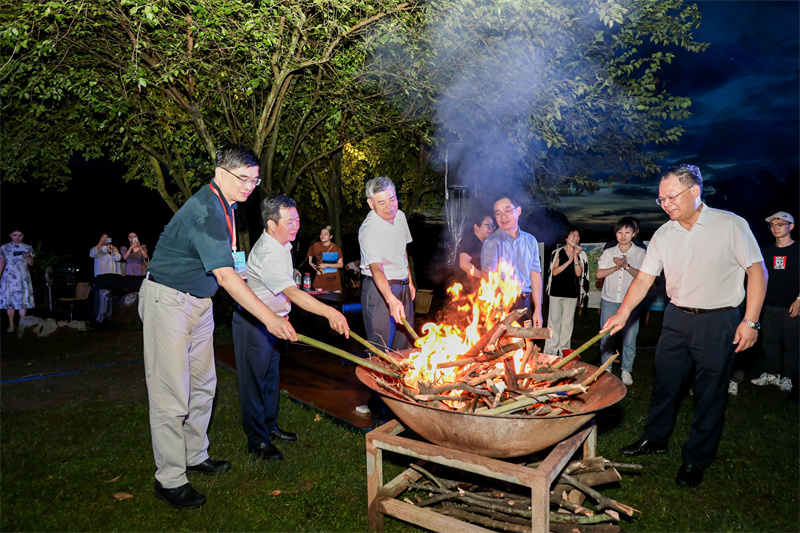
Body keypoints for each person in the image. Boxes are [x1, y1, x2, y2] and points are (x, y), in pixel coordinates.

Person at [138, 144, 296, 510]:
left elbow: (226, 265)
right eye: (244, 179)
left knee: (204, 386)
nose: (250, 186)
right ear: (220, 171)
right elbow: (225, 276)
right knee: (171, 394)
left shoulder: (227, 205)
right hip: (169, 302)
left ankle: (195, 454)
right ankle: (170, 478)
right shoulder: (207, 210)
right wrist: (270, 317)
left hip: (198, 302)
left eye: (255, 180)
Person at [602, 164, 766, 489]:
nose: (665, 204)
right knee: (665, 383)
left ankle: (695, 458)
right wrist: (622, 313)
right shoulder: (664, 234)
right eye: (661, 199)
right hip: (676, 319)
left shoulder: (730, 224)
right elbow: (645, 280)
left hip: (718, 320)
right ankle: (655, 438)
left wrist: (750, 321)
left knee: (709, 392)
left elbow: (758, 272)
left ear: (695, 190)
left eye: (671, 196)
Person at [234, 196, 349, 461]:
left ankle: (269, 426)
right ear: (272, 224)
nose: (297, 225)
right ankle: (257, 441)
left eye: (297, 219)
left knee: (271, 379)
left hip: (275, 323)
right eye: (291, 221)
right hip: (255, 323)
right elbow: (293, 294)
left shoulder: (282, 243)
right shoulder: (269, 252)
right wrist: (329, 312)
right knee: (254, 383)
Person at [358, 177, 416, 352]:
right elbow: (377, 269)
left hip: (403, 285)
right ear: (371, 203)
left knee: (404, 347)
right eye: (381, 202)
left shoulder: (400, 216)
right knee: (380, 349)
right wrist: (390, 299)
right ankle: (376, 380)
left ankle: (402, 380)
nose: (389, 206)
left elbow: (402, 251)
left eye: (392, 199)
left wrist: (410, 282)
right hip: (379, 291)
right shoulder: (369, 229)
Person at [750, 211, 798, 397]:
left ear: (791, 227)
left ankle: (788, 377)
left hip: (791, 305)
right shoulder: (765, 251)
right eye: (772, 225)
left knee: (791, 343)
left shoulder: (798, 250)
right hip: (768, 304)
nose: (776, 228)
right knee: (769, 341)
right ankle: (771, 374)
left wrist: (799, 300)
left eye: (781, 224)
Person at [596, 217, 647, 385]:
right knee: (606, 336)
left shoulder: (640, 253)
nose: (623, 236)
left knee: (630, 338)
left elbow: (643, 277)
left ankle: (626, 370)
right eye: (619, 232)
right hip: (609, 299)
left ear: (634, 233)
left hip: (630, 302)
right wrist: (616, 267)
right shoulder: (609, 252)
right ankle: (607, 369)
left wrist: (626, 266)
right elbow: (599, 274)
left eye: (627, 232)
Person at [481, 195, 543, 326]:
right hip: (501, 302)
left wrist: (538, 309)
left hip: (525, 301)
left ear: (518, 211)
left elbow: (535, 275)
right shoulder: (492, 242)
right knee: (503, 345)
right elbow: (488, 276)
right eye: (498, 214)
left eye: (507, 211)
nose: (503, 217)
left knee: (523, 343)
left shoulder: (530, 240)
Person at [543, 227, 588, 356]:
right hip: (556, 292)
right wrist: (568, 260)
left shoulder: (581, 255)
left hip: (572, 294)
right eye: (573, 235)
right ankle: (550, 351)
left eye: (578, 236)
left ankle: (564, 351)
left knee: (568, 324)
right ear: (566, 238)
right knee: (553, 322)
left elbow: (579, 273)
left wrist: (575, 257)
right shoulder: (558, 252)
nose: (576, 238)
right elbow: (555, 272)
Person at [0, 229, 35, 333]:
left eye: (20, 235)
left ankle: (22, 324)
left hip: (23, 277)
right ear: (10, 235)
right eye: (15, 235)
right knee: (9, 301)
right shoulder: (4, 247)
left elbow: (31, 264)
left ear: (23, 236)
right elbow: (2, 262)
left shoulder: (27, 247)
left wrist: (29, 256)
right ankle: (11, 324)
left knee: (22, 301)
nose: (17, 237)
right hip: (9, 277)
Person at [454, 212, 494, 293]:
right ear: (476, 226)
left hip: (476, 290)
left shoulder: (482, 243)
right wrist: (483, 277)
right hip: (466, 290)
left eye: (493, 226)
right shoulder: (470, 240)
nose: (491, 229)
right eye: (488, 225)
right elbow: (464, 264)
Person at [307, 226, 344, 292]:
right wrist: (310, 262)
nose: (322, 236)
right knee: (320, 301)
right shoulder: (316, 245)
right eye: (321, 234)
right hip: (321, 280)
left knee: (336, 301)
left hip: (334, 280)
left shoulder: (336, 248)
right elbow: (310, 251)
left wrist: (326, 265)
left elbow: (341, 264)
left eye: (325, 234)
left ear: (331, 237)